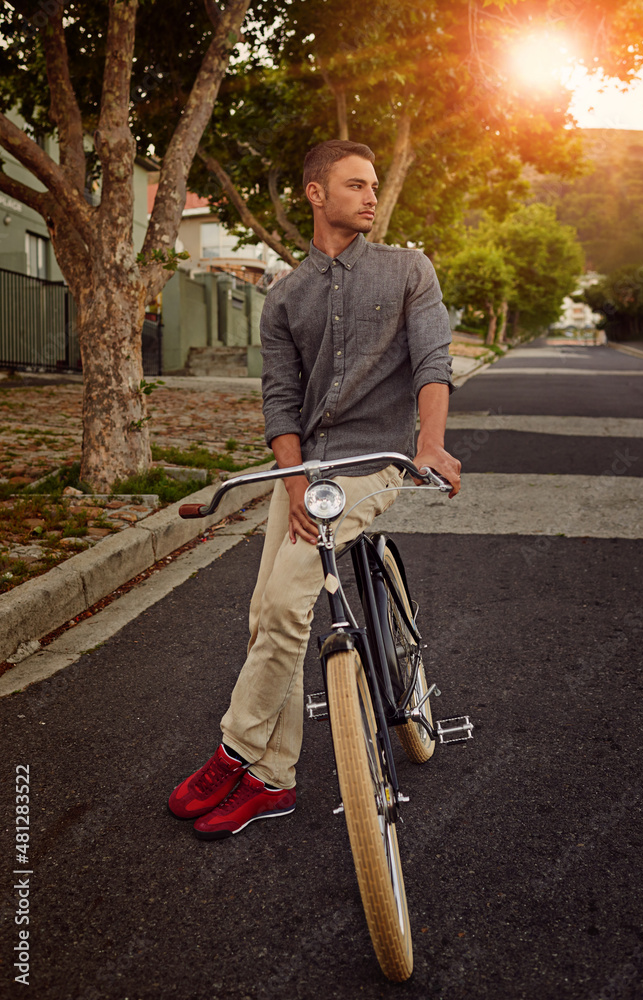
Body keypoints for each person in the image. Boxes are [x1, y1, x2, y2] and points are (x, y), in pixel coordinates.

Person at [168, 139, 461, 840]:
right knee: (265, 612)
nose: (369, 197)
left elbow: (432, 362)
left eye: (371, 185)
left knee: (290, 594)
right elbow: (280, 400)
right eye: (354, 185)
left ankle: (234, 753)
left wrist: (428, 443)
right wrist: (294, 480)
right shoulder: (285, 297)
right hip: (303, 471)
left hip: (371, 462)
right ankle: (272, 782)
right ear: (314, 193)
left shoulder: (407, 270)